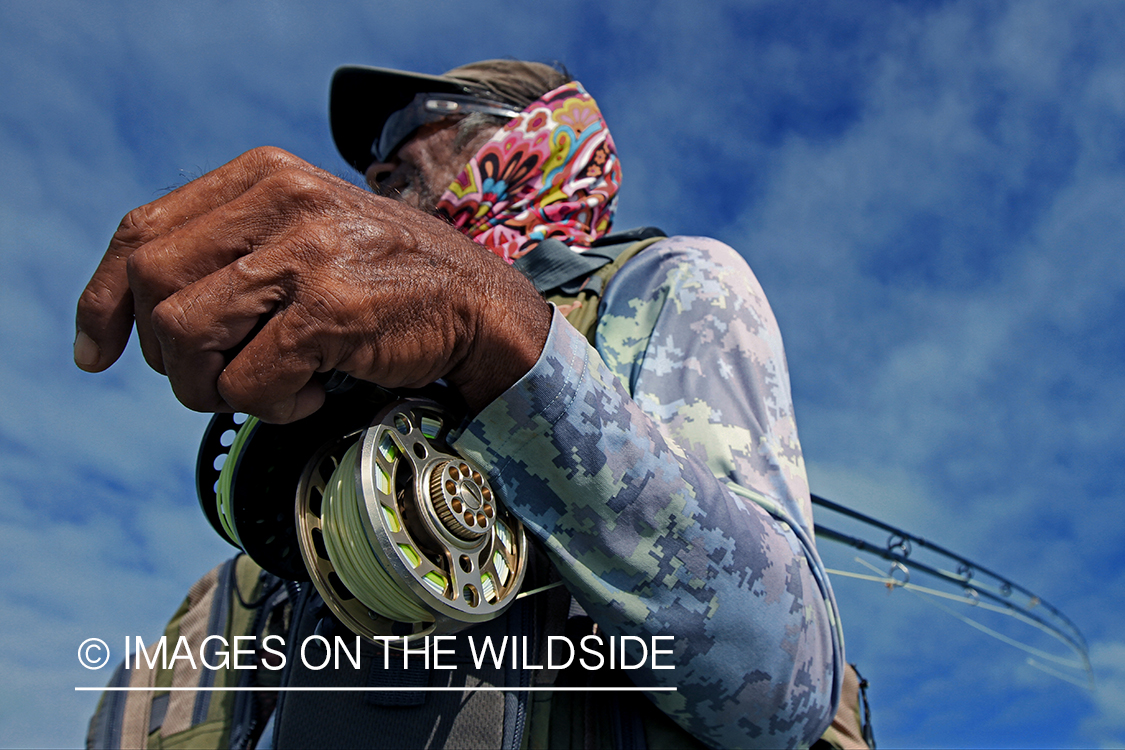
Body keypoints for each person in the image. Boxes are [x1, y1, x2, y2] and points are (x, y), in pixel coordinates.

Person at [78, 60, 846, 749]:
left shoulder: (672, 282)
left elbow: (782, 690)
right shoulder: (233, 582)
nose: (377, 168)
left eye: (408, 126)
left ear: (534, 133)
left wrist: (485, 327)